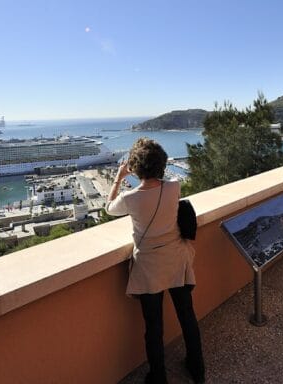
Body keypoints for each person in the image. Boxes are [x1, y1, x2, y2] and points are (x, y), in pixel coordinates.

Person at [106, 138, 205, 384]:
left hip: (149, 268)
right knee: (187, 316)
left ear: (135, 167)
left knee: (154, 327)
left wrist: (119, 178)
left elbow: (109, 208)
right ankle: (197, 369)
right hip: (176, 259)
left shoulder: (130, 198)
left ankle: (158, 377)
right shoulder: (174, 187)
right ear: (162, 163)